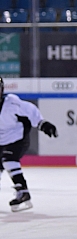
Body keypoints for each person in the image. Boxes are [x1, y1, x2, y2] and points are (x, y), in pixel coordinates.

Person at [0, 76, 58, 211]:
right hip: (1, 141)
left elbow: (30, 110)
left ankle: (23, 192)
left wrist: (42, 124)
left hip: (17, 138)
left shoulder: (12, 103)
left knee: (9, 160)